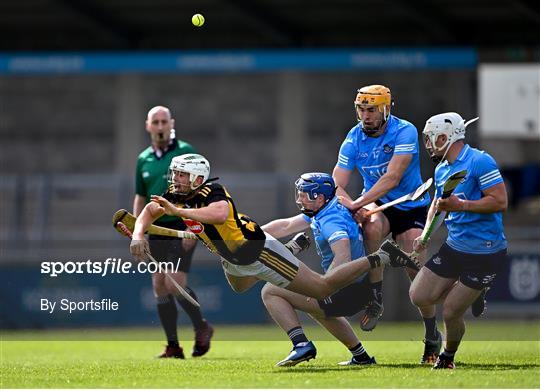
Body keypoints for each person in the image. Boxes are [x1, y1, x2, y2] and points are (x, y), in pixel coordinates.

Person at [129, 154, 420, 351]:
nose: (174, 179)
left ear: (196, 178)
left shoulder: (214, 192)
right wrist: (140, 232)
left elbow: (218, 215)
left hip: (261, 253)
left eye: (180, 175)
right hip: (235, 258)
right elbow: (150, 210)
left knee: (315, 289)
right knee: (243, 288)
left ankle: (382, 256)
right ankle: (291, 251)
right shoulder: (175, 197)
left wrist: (177, 212)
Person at [334, 85, 440, 364]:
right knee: (370, 227)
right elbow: (338, 184)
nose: (365, 116)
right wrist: (348, 203)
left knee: (415, 274)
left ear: (386, 109)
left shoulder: (404, 131)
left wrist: (358, 203)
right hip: (375, 205)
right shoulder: (353, 138)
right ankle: (375, 295)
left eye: (371, 110)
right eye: (361, 110)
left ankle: (431, 334)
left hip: (410, 206)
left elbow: (392, 178)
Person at [408, 112, 508, 369]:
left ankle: (447, 356)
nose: (428, 144)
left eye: (431, 139)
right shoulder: (442, 168)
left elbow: (500, 201)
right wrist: (425, 235)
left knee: (451, 311)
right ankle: (470, 292)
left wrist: (461, 205)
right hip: (455, 247)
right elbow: (438, 204)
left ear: (446, 137)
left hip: (484, 252)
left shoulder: (480, 161)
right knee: (418, 295)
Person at [260, 172, 376, 367]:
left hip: (349, 290)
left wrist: (323, 288)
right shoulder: (324, 210)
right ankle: (361, 356)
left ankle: (301, 344)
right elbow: (286, 225)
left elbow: (343, 256)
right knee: (320, 311)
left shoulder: (331, 220)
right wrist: (249, 233)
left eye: (303, 195)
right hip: (356, 286)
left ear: (320, 197)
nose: (299, 199)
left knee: (270, 291)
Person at [133, 106, 213, 359]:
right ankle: (173, 346)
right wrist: (139, 229)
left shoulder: (186, 151)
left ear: (171, 124)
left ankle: (201, 327)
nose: (159, 126)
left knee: (174, 282)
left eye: (163, 121)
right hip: (157, 228)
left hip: (182, 225)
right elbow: (141, 197)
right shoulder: (143, 159)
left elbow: (200, 191)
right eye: (155, 122)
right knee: (159, 284)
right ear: (148, 126)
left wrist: (194, 228)